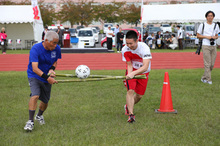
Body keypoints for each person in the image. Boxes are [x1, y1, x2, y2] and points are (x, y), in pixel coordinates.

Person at [24, 31, 62, 131]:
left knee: (45, 101)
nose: (55, 45)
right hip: (34, 75)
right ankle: (30, 122)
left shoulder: (56, 48)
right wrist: (48, 78)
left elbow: (55, 61)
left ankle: (39, 115)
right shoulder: (35, 49)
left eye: (56, 43)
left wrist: (51, 70)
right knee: (35, 95)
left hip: (46, 76)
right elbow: (35, 68)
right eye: (53, 43)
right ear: (46, 40)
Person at [122, 30, 152, 123]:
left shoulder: (144, 48)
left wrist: (133, 74)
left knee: (139, 96)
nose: (129, 46)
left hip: (143, 72)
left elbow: (145, 66)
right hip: (132, 71)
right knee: (130, 91)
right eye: (127, 43)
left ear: (137, 41)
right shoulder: (125, 50)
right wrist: (129, 74)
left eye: (131, 43)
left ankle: (128, 105)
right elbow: (129, 64)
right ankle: (131, 114)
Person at [197, 10, 220, 85]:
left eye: (211, 16)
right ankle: (208, 80)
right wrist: (206, 37)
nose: (210, 17)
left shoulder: (216, 25)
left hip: (213, 46)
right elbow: (198, 35)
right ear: (206, 17)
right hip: (205, 45)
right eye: (208, 16)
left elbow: (217, 35)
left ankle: (204, 77)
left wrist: (214, 37)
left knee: (212, 64)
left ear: (213, 17)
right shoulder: (202, 25)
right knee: (207, 63)